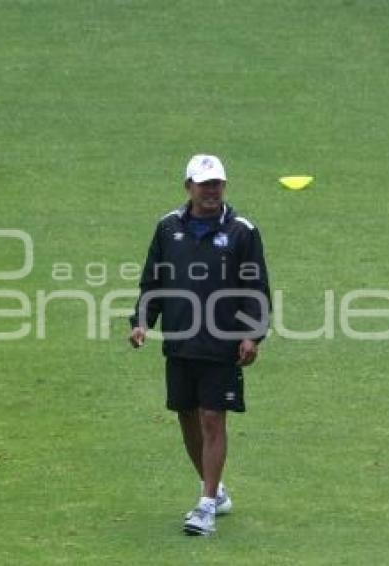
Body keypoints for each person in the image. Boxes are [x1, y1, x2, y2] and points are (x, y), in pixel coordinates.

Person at [129, 154, 270, 536]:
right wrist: (142, 321)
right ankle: (217, 492)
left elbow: (256, 288)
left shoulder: (242, 231)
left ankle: (205, 505)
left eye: (217, 184)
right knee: (187, 416)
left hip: (222, 344)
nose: (212, 191)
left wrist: (252, 334)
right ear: (188, 186)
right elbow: (153, 281)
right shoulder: (167, 228)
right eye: (205, 184)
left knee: (212, 417)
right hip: (179, 342)